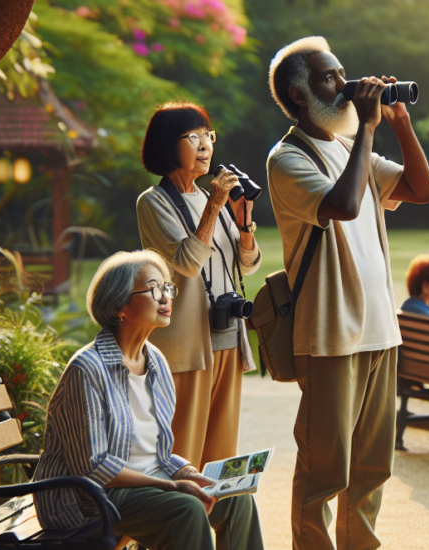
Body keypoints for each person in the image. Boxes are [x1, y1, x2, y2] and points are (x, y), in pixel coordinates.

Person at [266, 36, 429, 550]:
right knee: (325, 467)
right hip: (330, 334)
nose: (344, 85)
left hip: (380, 331)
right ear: (299, 96)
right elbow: (341, 204)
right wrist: (365, 126)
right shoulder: (287, 158)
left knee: (370, 465)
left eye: (341, 74)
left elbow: (420, 190)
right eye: (329, 78)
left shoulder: (347, 146)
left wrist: (401, 126)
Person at [33, 251, 263, 550]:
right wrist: (171, 485)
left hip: (146, 483)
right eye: (154, 289)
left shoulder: (155, 361)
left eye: (168, 288)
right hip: (88, 499)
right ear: (119, 306)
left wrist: (190, 474)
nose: (165, 298)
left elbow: (159, 453)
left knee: (234, 500)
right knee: (187, 508)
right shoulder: (87, 370)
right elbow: (92, 469)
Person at [136, 101, 262, 470]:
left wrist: (243, 224)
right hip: (187, 346)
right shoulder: (154, 202)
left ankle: (216, 522)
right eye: (193, 137)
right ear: (166, 145)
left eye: (209, 135)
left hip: (226, 336)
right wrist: (215, 208)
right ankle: (180, 525)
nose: (206, 144)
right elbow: (189, 263)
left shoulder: (210, 198)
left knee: (222, 456)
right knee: (184, 454)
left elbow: (247, 264)